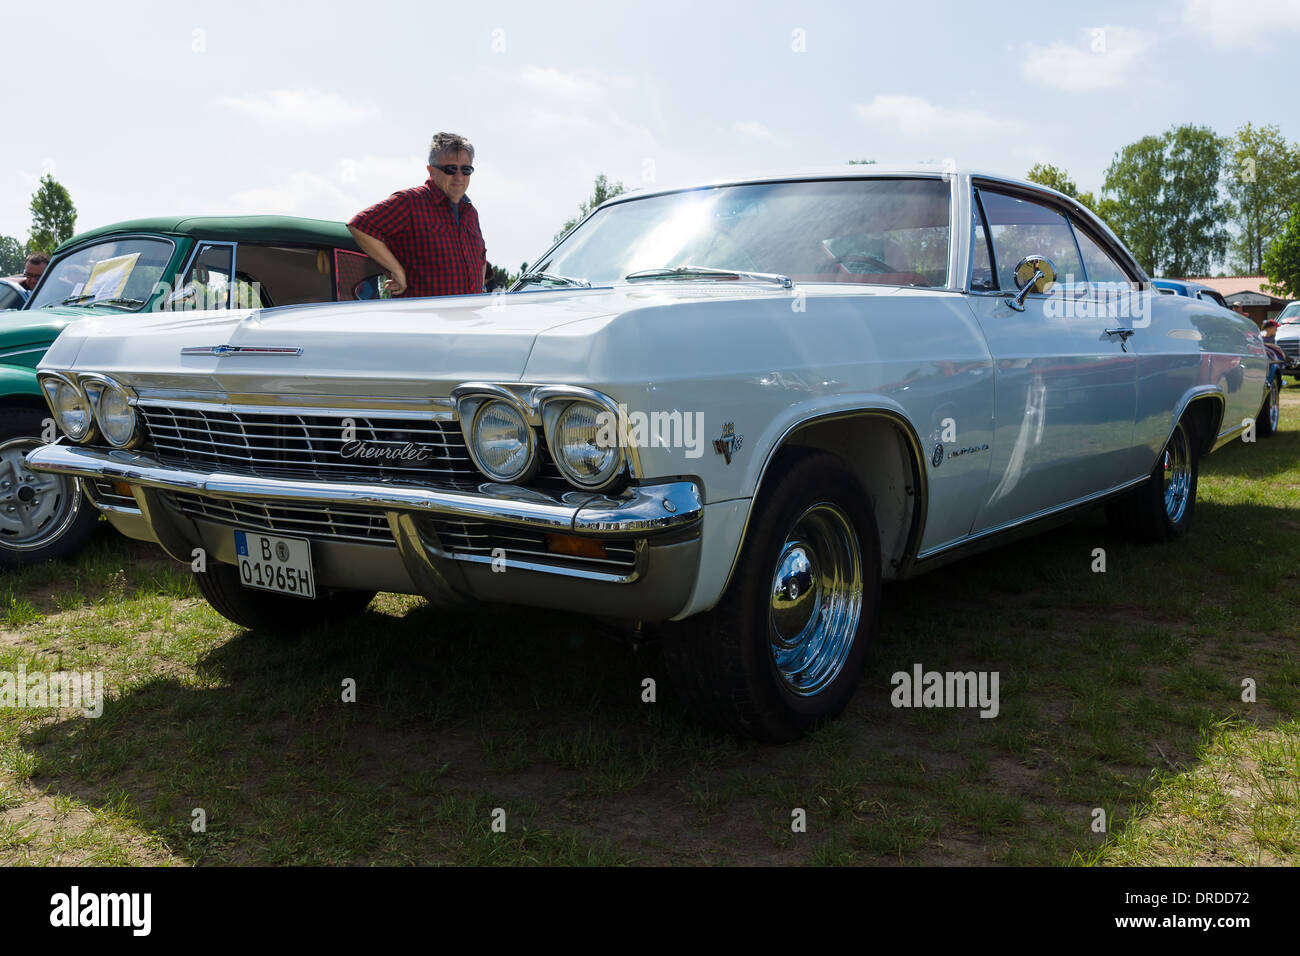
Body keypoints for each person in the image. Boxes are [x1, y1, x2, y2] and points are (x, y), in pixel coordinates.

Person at [347, 132, 486, 298]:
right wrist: (396, 270)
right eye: (450, 169)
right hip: (424, 320)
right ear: (431, 171)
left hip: (468, 318)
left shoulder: (470, 212)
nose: (459, 176)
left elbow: (481, 258)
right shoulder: (411, 202)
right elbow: (360, 225)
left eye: (466, 170)